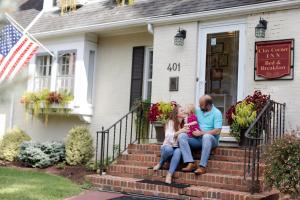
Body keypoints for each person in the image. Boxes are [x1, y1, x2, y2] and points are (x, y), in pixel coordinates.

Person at [178, 95, 222, 175]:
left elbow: (217, 131)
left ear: (208, 105)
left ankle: (202, 167)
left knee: (206, 136)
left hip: (211, 140)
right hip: (197, 139)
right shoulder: (198, 110)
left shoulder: (217, 113)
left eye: (201, 105)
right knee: (182, 136)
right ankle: (191, 163)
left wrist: (201, 133)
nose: (199, 106)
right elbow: (187, 114)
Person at [153, 105, 188, 183]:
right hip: (167, 147)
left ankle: (169, 174)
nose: (184, 112)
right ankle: (161, 162)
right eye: (182, 110)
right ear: (177, 114)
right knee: (169, 150)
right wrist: (180, 131)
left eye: (184, 110)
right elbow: (168, 136)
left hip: (177, 148)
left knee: (178, 151)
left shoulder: (184, 123)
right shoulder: (170, 122)